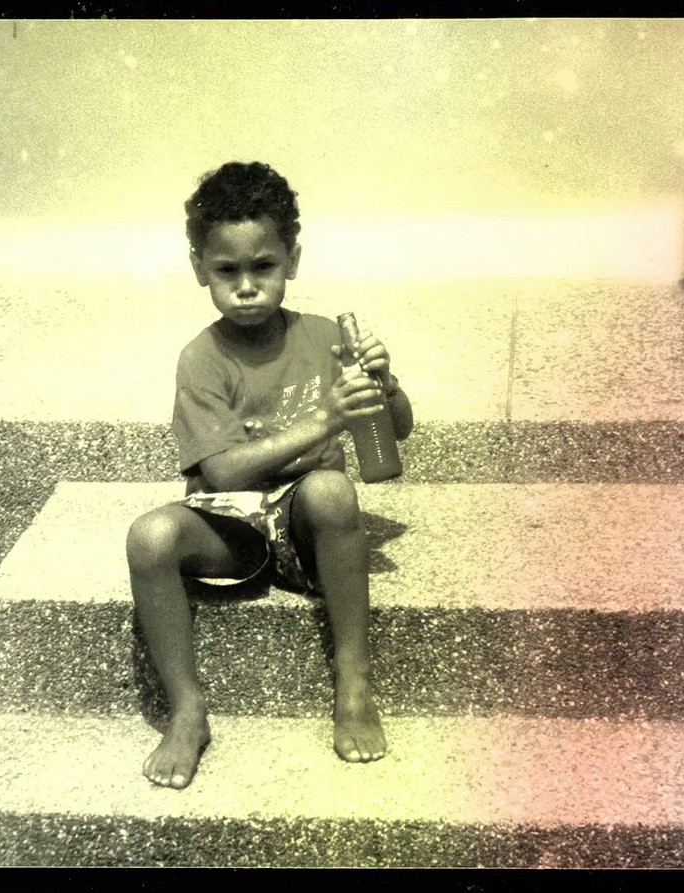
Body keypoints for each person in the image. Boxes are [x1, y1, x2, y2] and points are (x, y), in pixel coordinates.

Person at [124, 161, 415, 789]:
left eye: (265, 266)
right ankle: (186, 709)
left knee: (334, 489)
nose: (248, 286)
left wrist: (385, 386)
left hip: (308, 523)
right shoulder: (202, 358)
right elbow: (222, 471)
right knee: (148, 537)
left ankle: (355, 682)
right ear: (199, 267)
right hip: (233, 529)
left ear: (293, 259)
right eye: (227, 271)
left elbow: (400, 432)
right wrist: (323, 420)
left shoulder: (325, 337)